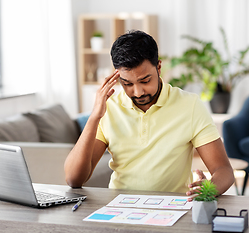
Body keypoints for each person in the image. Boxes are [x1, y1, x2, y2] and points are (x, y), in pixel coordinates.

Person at [64, 30, 234, 200]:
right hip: (120, 208)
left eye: (145, 81)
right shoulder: (108, 108)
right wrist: (94, 117)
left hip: (172, 208)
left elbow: (224, 170)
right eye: (127, 83)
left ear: (159, 67)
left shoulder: (190, 105)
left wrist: (209, 189)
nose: (138, 92)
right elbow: (74, 179)